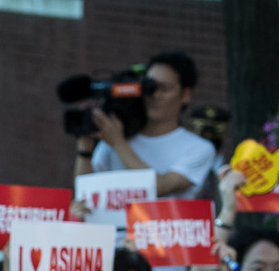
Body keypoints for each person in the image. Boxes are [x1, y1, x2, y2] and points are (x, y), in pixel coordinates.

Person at [81, 51, 211, 201]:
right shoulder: (116, 136)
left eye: (165, 88)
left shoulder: (198, 148)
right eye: (149, 87)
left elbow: (158, 187)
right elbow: (86, 192)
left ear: (186, 94)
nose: (154, 95)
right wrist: (84, 144)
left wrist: (118, 143)